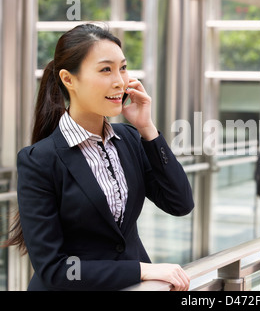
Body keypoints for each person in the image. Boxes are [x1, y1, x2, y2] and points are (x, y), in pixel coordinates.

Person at [3, 24, 194, 291]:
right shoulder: (39, 160)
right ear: (69, 79)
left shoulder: (127, 139)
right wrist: (140, 270)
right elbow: (55, 269)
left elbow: (180, 203)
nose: (120, 81)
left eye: (123, 68)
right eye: (106, 69)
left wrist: (147, 129)